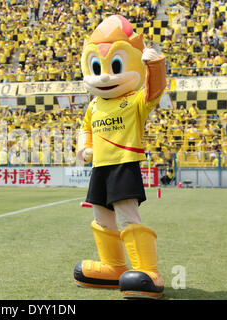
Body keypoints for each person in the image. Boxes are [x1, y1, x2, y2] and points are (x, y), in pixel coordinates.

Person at [74, 15, 166, 299]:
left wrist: (155, 64)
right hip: (100, 167)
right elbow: (85, 129)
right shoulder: (94, 105)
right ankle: (113, 267)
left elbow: (154, 92)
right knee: (101, 217)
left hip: (123, 165)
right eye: (97, 67)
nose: (104, 76)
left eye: (114, 66)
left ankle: (147, 270)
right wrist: (83, 148)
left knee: (127, 216)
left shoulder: (134, 100)